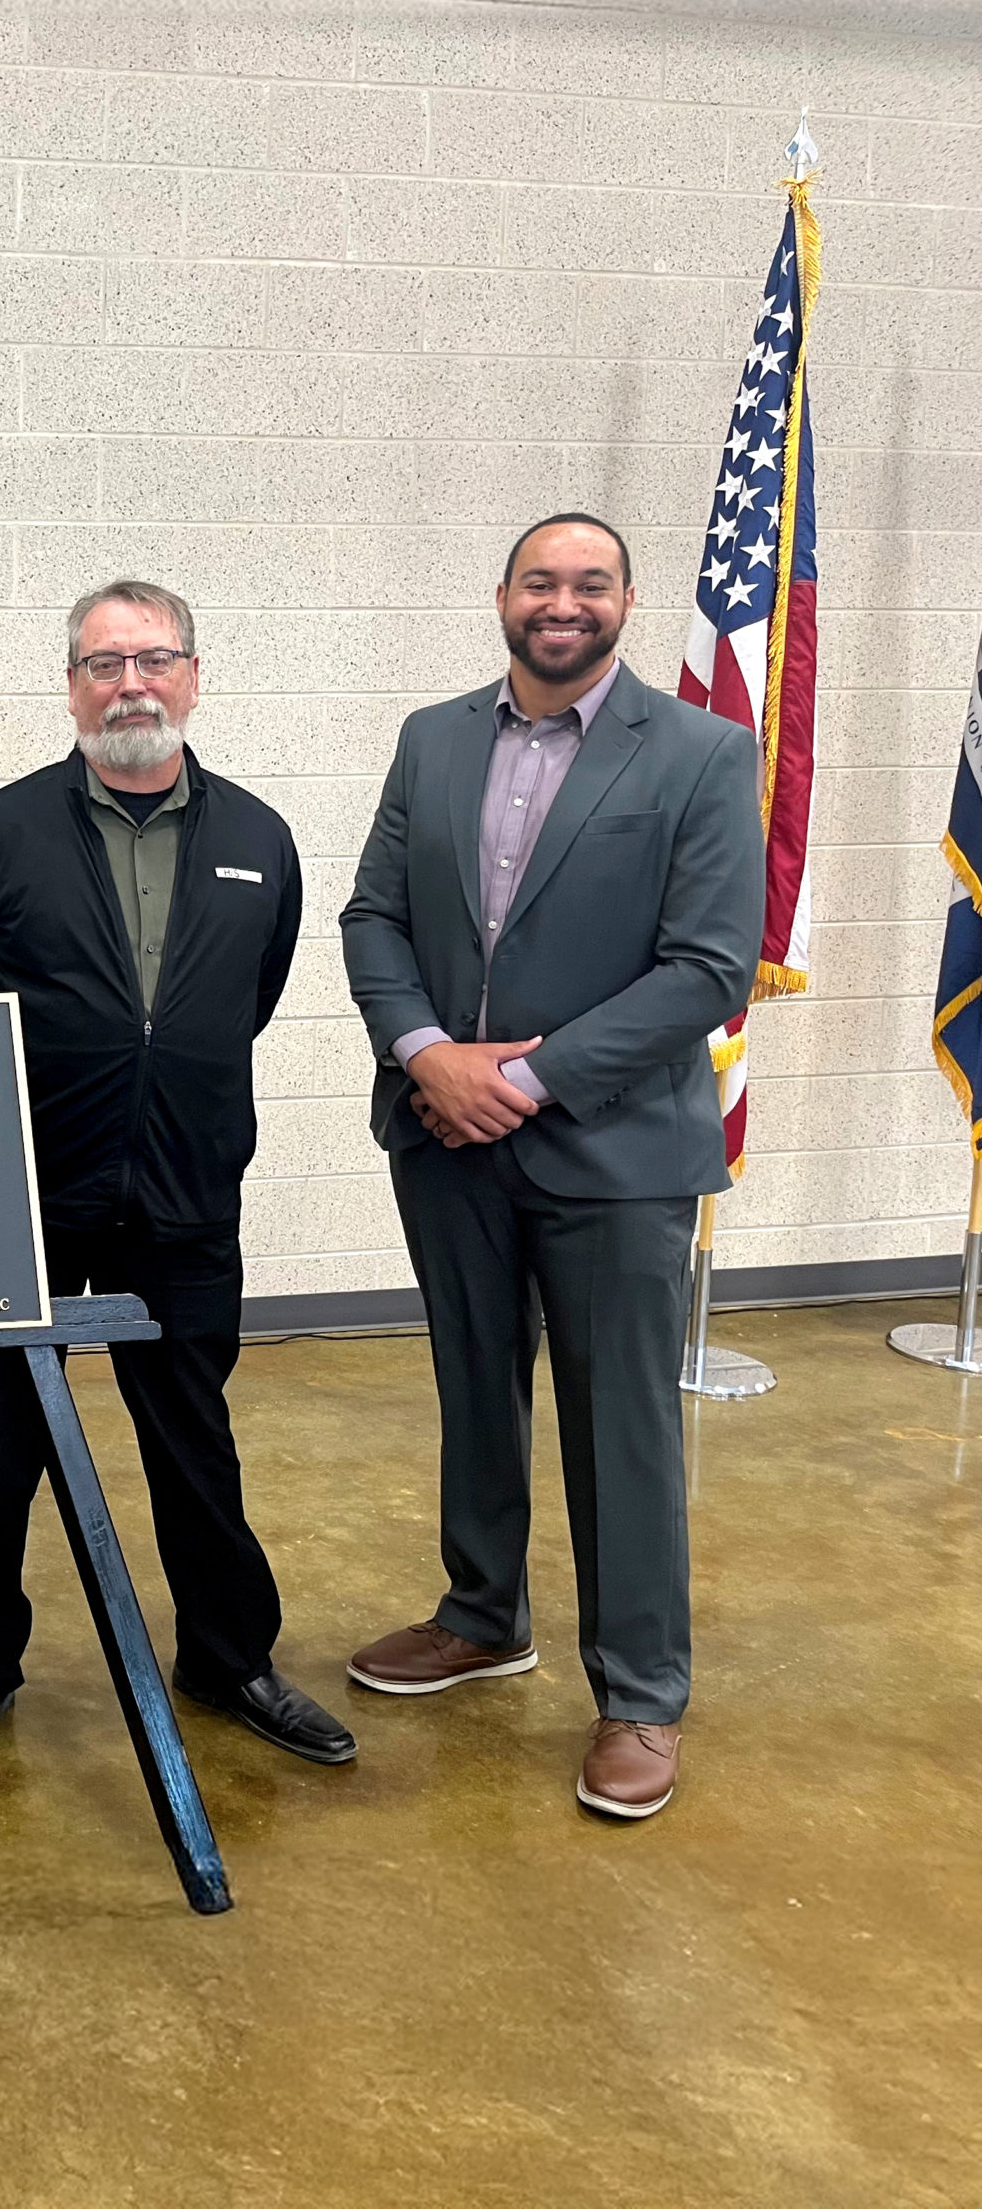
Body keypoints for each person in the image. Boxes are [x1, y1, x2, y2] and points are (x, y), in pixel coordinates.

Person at [340, 513, 762, 1821]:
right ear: (506, 595)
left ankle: (640, 1694)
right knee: (475, 1383)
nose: (562, 601)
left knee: (618, 1425)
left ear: (626, 602)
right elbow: (373, 918)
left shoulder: (702, 753)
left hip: (618, 1152)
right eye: (541, 580)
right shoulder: (434, 738)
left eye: (589, 582)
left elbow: (706, 968)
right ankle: (482, 1615)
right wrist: (427, 1054)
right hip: (443, 1138)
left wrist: (518, 1077)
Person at [0, 582, 355, 1783]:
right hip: (22, 1198)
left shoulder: (258, 840)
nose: (129, 686)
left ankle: (229, 1655)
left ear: (194, 676)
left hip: (186, 1192)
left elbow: (239, 1003)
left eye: (152, 660)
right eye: (102, 665)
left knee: (193, 1438)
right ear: (70, 688)